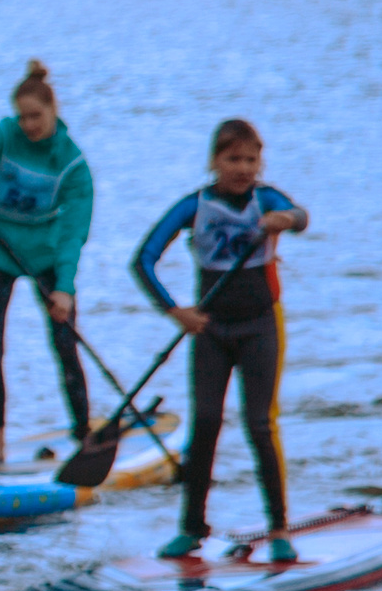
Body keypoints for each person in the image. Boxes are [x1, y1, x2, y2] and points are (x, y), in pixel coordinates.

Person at [132, 119, 309, 561]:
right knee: (206, 423)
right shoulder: (194, 206)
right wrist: (176, 312)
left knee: (258, 424)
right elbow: (144, 259)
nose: (242, 168)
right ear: (214, 162)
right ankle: (191, 529)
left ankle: (280, 529)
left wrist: (284, 219)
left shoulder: (265, 199)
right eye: (233, 159)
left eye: (251, 159)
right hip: (210, 331)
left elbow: (301, 216)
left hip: (260, 327)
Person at [0, 60, 93, 467]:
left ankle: (84, 435)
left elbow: (73, 233)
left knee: (65, 345)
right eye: (23, 117)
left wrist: (64, 287)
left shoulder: (72, 165)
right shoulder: (3, 135)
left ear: (54, 110)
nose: (29, 125)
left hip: (46, 257)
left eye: (36, 116)